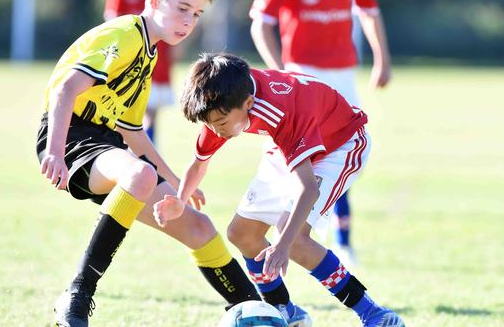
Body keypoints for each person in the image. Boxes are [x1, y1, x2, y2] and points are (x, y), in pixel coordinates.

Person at [37, 0, 260, 326]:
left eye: (197, 14)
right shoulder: (125, 34)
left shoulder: (149, 53)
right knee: (139, 175)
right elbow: (66, 89)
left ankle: (256, 308)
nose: (188, 21)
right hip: (73, 137)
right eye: (182, 9)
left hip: (106, 145)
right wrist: (55, 152)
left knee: (199, 228)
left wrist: (175, 182)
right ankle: (77, 294)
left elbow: (132, 132)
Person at [155, 53, 404, 327]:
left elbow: (308, 189)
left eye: (221, 124)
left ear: (248, 103)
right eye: (209, 125)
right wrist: (180, 201)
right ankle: (284, 311)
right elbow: (199, 164)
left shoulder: (278, 110)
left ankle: (376, 315)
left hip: (340, 145)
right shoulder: (223, 104)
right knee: (242, 233)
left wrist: (282, 245)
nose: (216, 131)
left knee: (294, 236)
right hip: (286, 144)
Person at [249, 0, 393, 266]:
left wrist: (382, 58)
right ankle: (284, 227)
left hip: (343, 75)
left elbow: (369, 11)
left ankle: (341, 241)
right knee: (294, 155)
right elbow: (260, 23)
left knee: (343, 151)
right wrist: (281, 73)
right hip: (303, 74)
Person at [104, 0, 177, 143]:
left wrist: (177, 46)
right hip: (129, 53)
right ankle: (124, 151)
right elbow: (113, 16)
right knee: (126, 106)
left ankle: (148, 152)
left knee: (151, 108)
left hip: (159, 54)